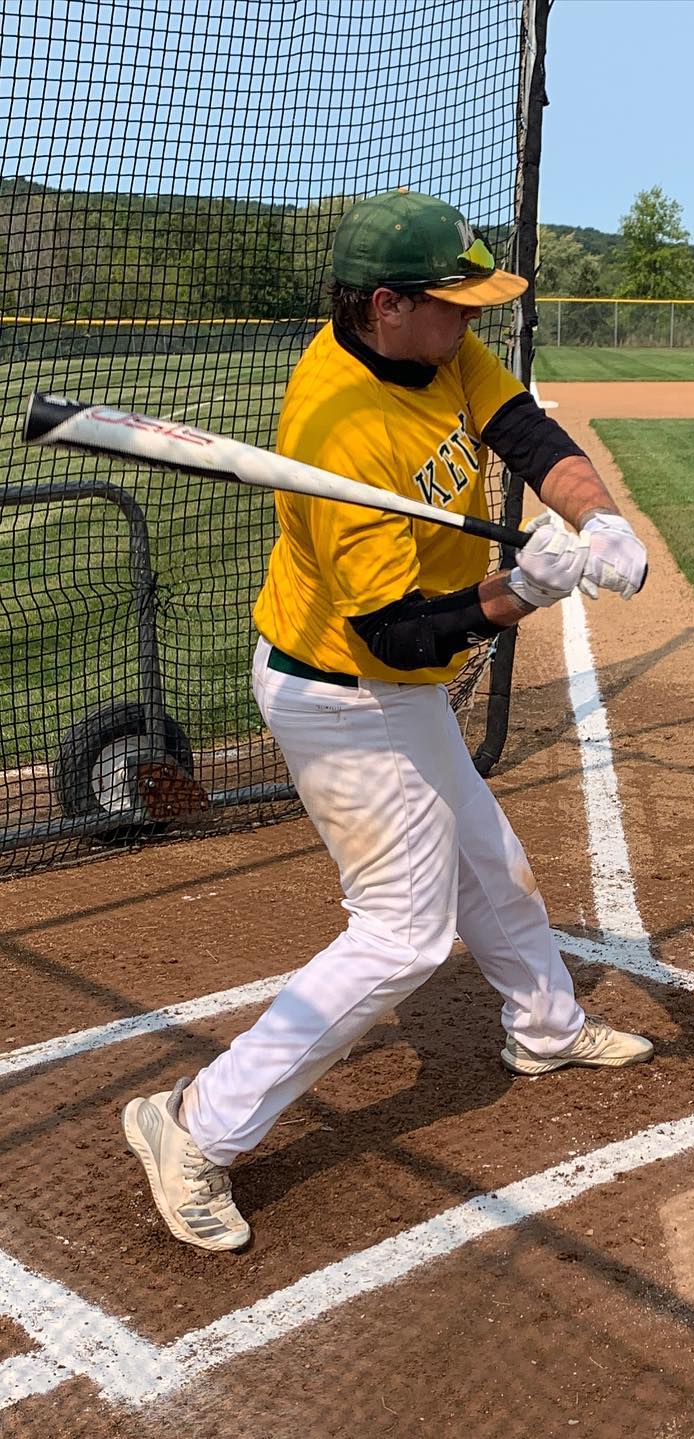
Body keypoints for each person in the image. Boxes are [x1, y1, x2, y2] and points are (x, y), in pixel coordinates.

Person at [121, 190, 652, 1253]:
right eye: (454, 305)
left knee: (488, 860)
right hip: (340, 691)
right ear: (384, 305)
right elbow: (400, 636)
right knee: (403, 933)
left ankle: (543, 1027)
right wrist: (526, 592)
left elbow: (524, 427)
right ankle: (193, 1124)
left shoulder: (437, 348)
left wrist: (597, 514)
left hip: (389, 682)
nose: (472, 322)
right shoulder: (339, 434)